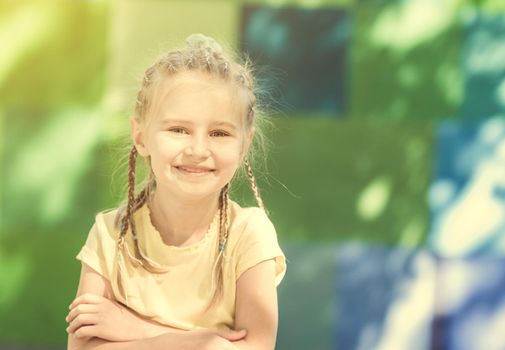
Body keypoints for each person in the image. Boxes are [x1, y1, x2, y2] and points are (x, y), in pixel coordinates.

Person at [65, 33, 286, 350]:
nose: (198, 149)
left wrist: (136, 330)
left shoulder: (249, 233)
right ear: (141, 138)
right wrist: (199, 342)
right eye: (178, 129)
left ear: (243, 146)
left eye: (219, 133)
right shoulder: (111, 234)